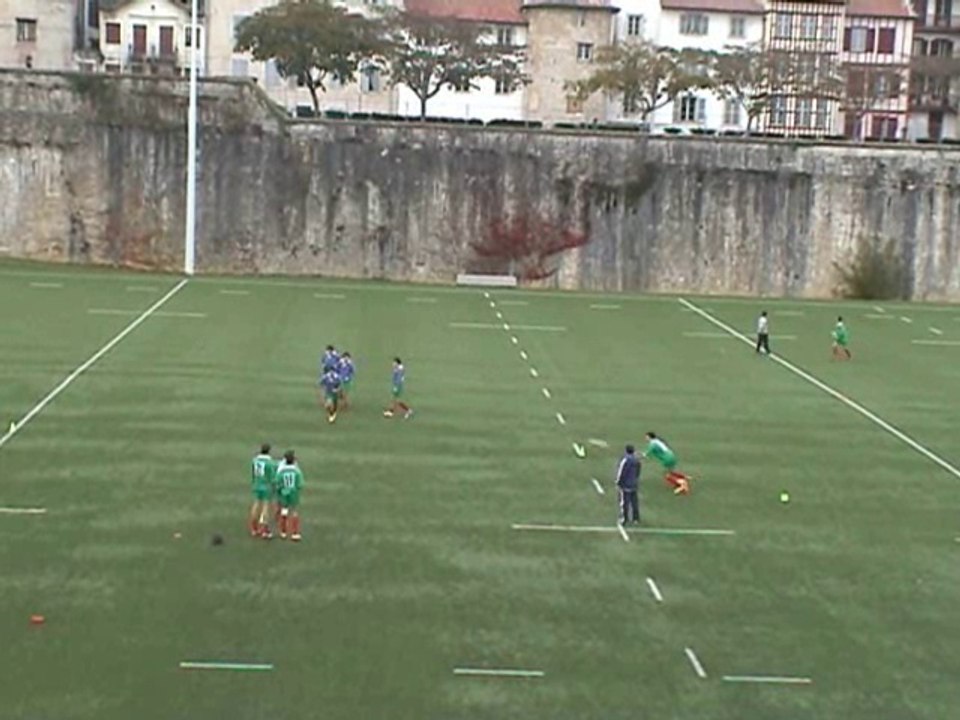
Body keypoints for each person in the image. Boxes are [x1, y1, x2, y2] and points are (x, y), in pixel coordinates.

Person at [249, 444, 278, 538]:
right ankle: (263, 529)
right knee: (265, 506)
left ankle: (254, 528)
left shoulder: (255, 460)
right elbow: (272, 477)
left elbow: (253, 472)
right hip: (266, 486)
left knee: (256, 504)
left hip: (257, 484)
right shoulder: (270, 463)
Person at [276, 450, 304, 541]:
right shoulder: (297, 472)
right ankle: (294, 533)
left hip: (284, 493)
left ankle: (283, 532)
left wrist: (279, 491)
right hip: (293, 493)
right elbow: (300, 485)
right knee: (294, 511)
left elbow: (278, 483)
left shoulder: (281, 472)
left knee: (284, 510)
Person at [616, 444, 641, 525]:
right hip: (634, 484)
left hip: (626, 485)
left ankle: (624, 519)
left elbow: (621, 471)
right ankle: (636, 519)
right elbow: (638, 471)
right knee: (634, 502)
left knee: (624, 503)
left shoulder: (625, 460)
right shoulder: (637, 460)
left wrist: (619, 482)